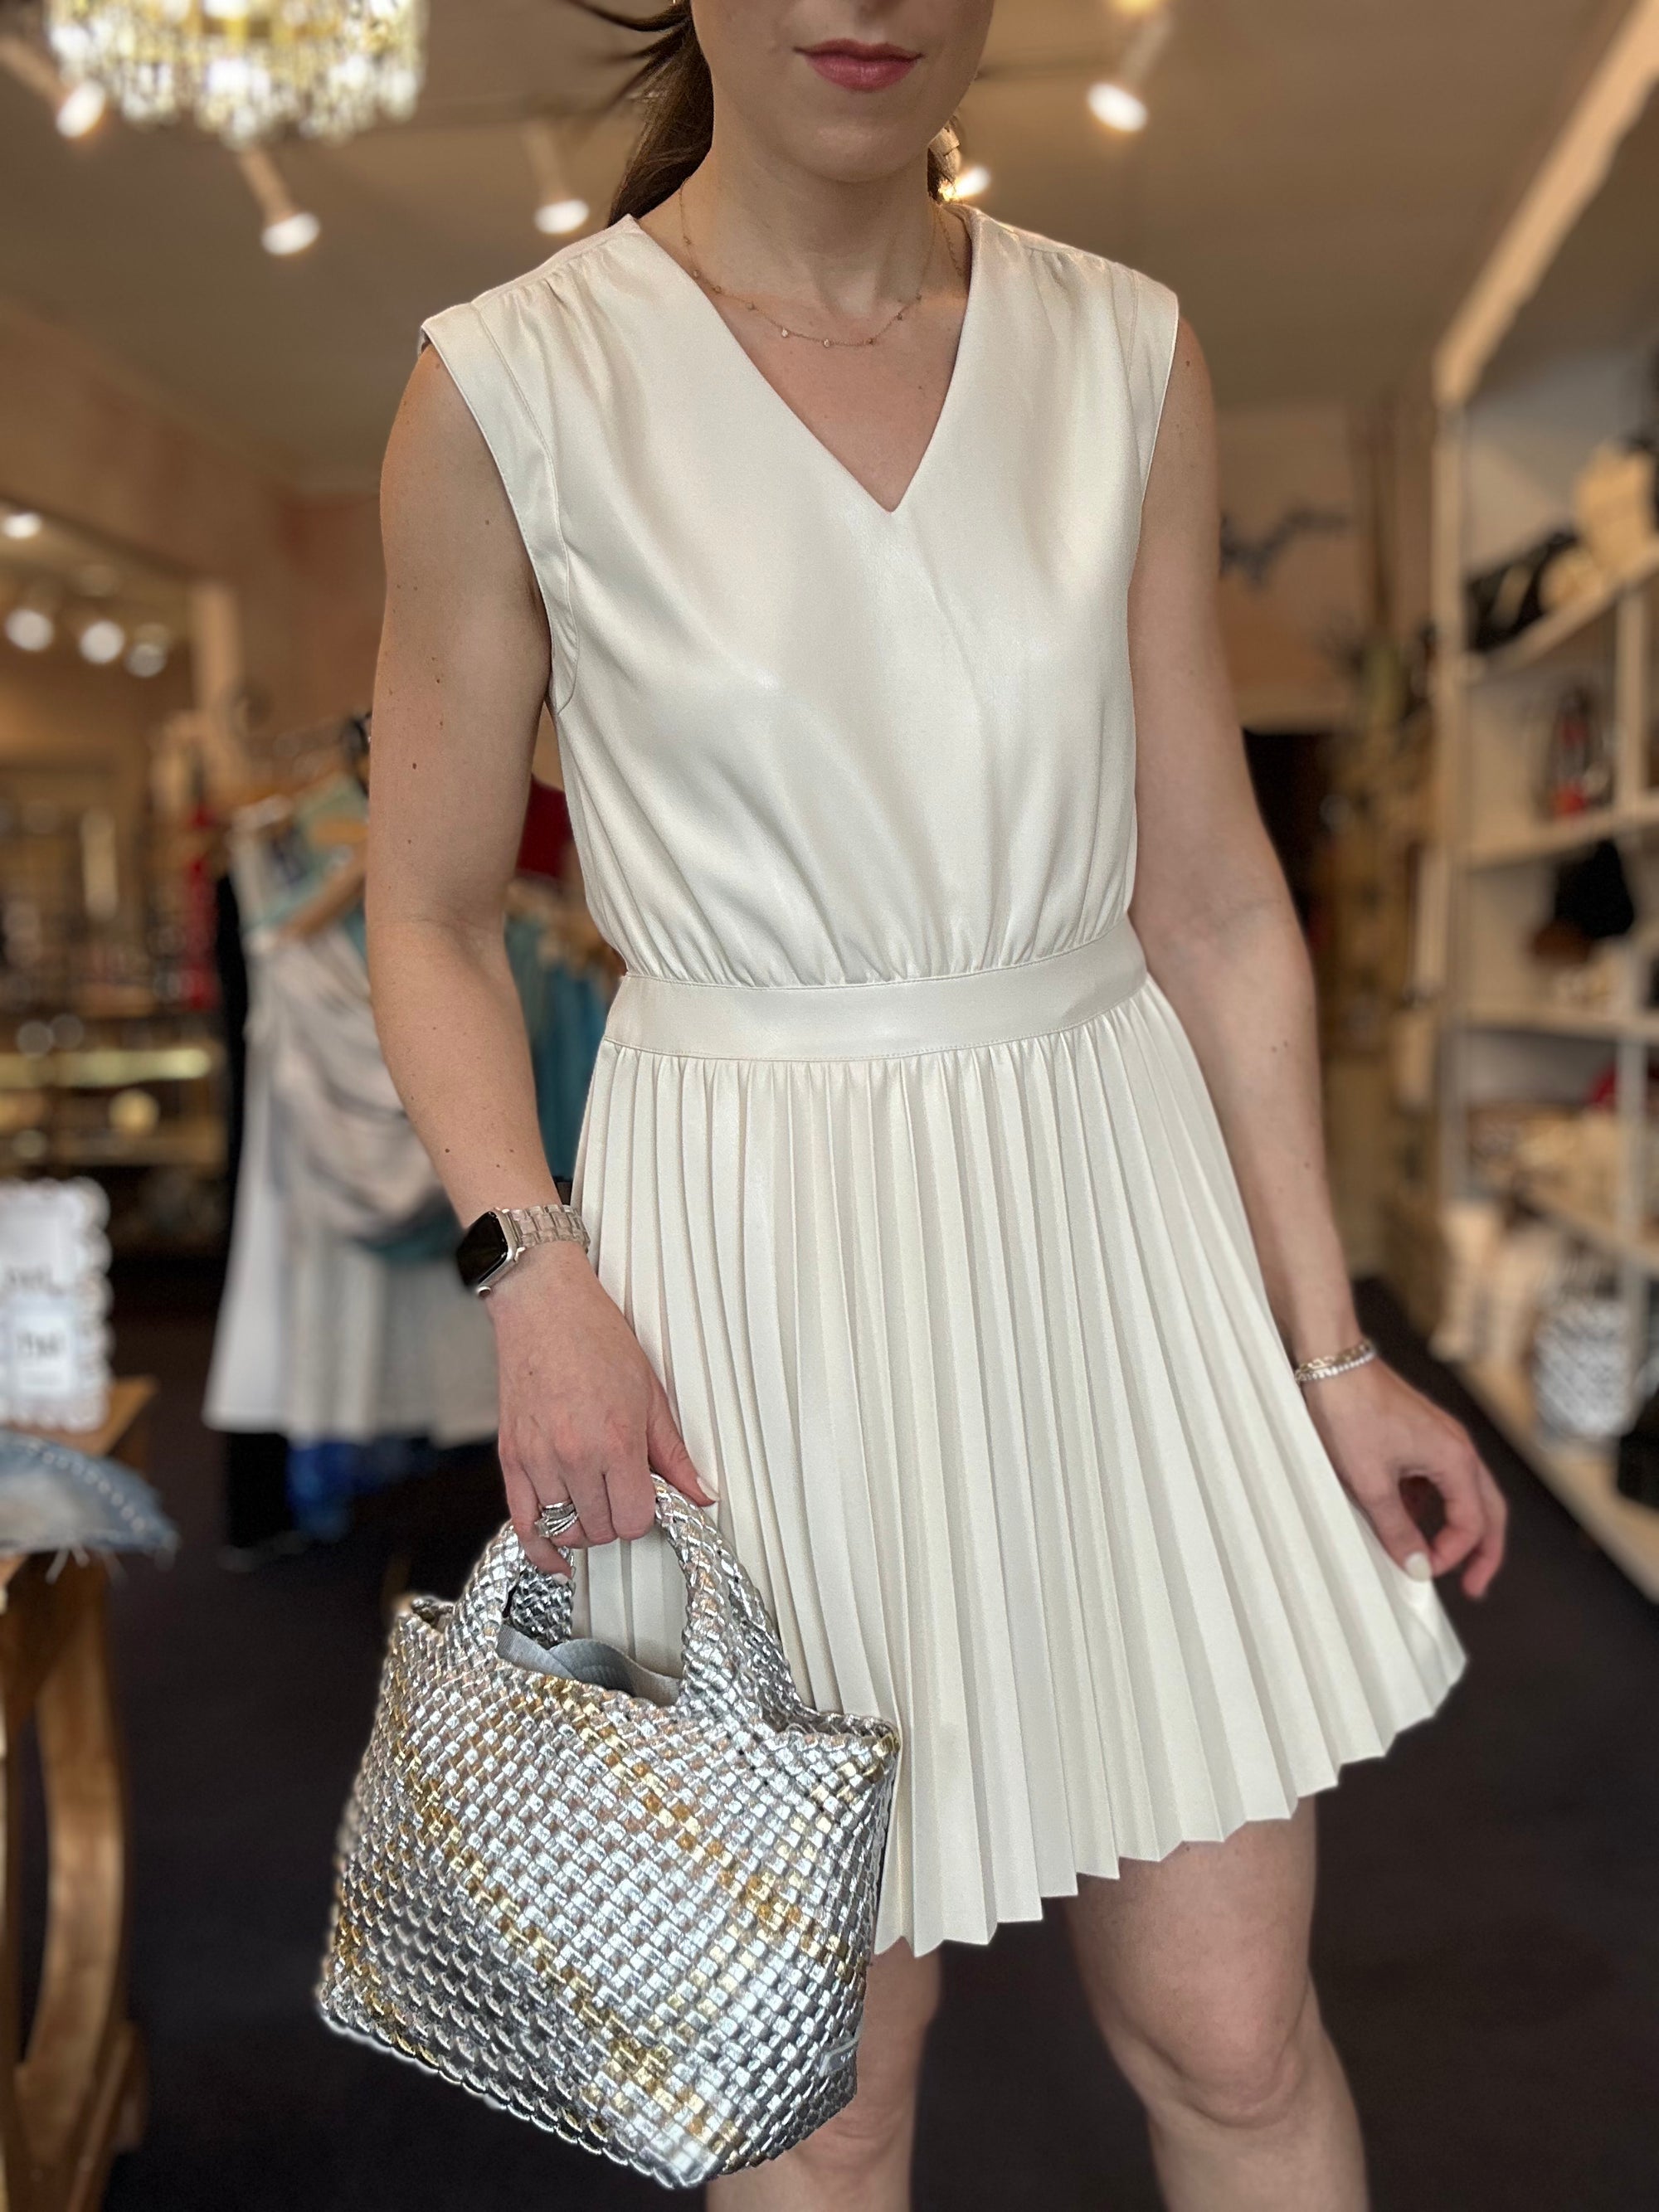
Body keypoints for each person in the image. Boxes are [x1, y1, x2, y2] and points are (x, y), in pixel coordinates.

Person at [365, 4, 1506, 2205]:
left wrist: (1331, 1347)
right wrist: (534, 1272)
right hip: (732, 1282)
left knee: (1237, 2034)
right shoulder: (509, 381)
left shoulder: (1126, 350)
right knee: (814, 2095)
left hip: (1113, 1236)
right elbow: (420, 914)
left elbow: (1214, 903)